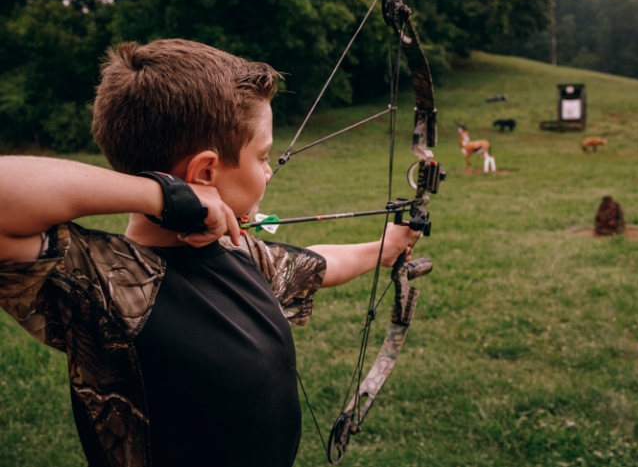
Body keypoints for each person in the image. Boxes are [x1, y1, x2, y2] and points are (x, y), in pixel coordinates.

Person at [0, 39, 418, 466]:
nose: (270, 170)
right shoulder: (110, 285)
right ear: (205, 172)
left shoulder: (238, 251)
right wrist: (165, 196)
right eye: (263, 156)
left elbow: (317, 266)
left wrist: (384, 248)